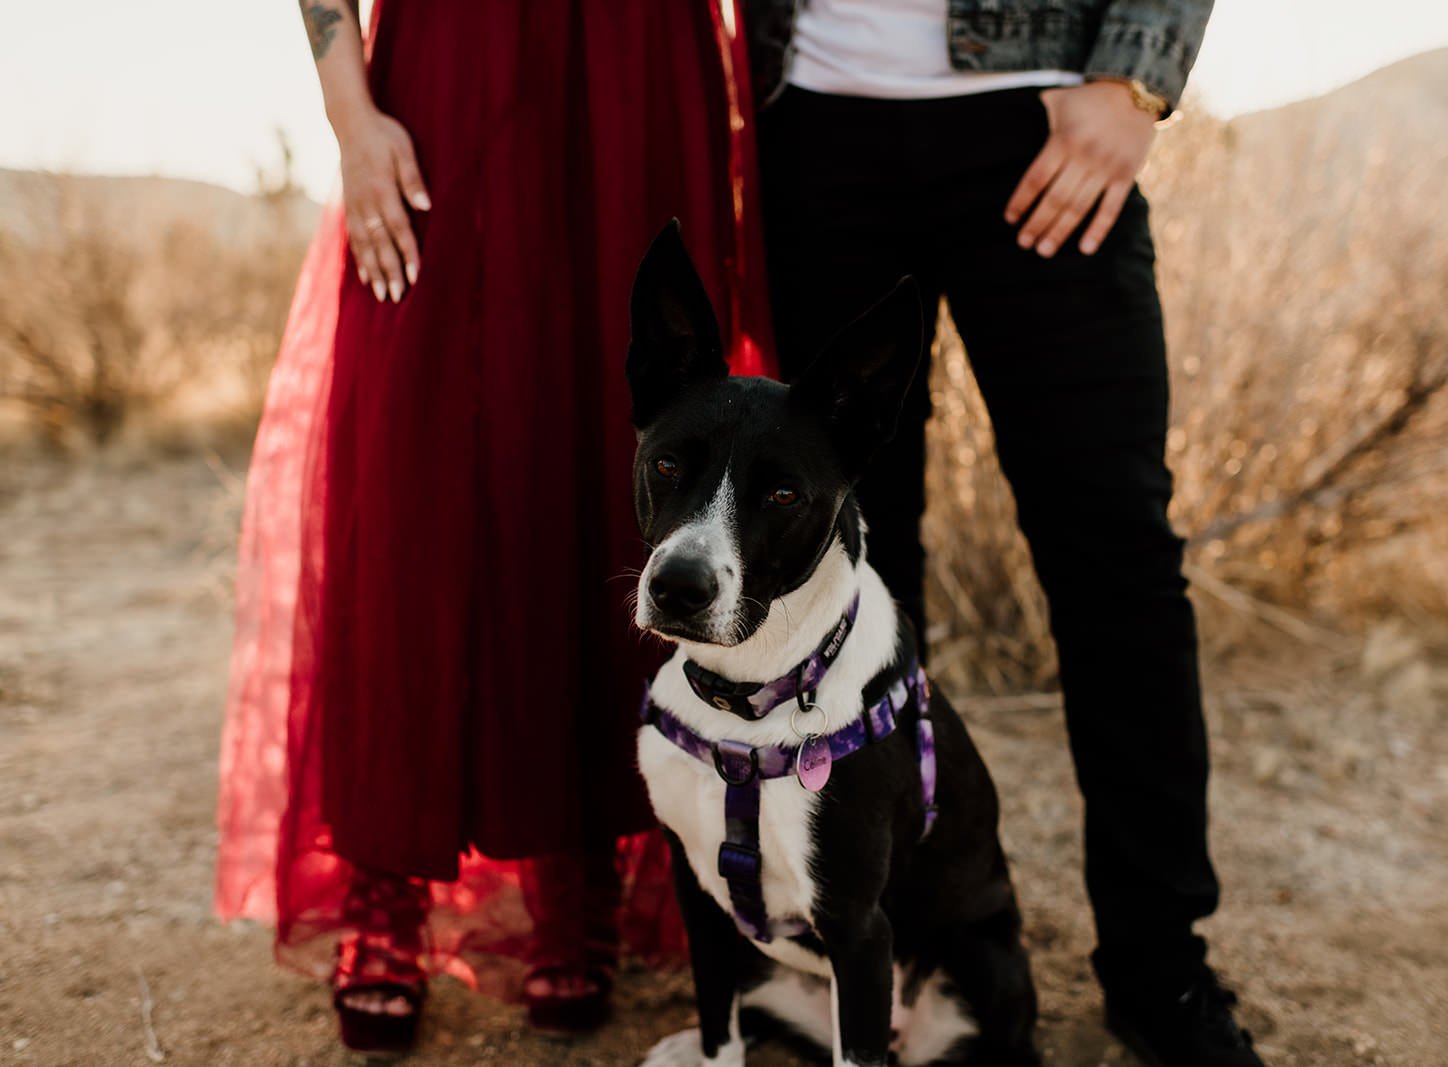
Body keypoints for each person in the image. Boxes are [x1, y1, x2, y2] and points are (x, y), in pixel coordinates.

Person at [214, 0, 773, 1054]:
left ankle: (581, 852)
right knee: (409, 461)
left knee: (611, 438)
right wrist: (350, 113)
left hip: (643, 65)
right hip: (451, 66)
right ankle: (384, 877)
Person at [744, 2, 1263, 1065]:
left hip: (1039, 121)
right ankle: (888, 955)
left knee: (1116, 562)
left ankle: (1157, 962)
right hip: (812, 135)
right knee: (846, 593)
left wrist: (1135, 79)